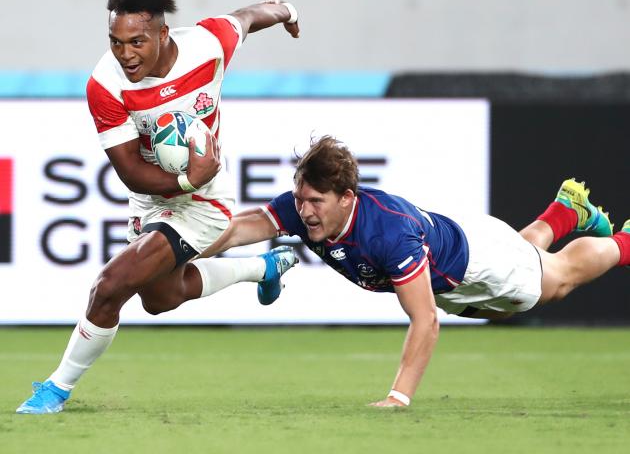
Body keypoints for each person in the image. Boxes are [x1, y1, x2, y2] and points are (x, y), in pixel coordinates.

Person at [16, 0, 299, 414]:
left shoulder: (207, 45)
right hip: (158, 194)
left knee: (110, 286)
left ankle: (56, 388)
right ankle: (260, 268)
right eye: (116, 41)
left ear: (163, 33)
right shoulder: (106, 84)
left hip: (205, 203)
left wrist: (288, 12)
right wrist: (187, 178)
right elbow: (130, 171)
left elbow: (248, 17)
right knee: (160, 298)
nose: (125, 54)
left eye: (137, 42)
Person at [199, 135, 630, 408]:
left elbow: (425, 320)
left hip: (480, 260)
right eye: (300, 199)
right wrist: (185, 247)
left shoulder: (388, 235)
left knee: (558, 280)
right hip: (456, 268)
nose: (304, 211)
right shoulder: (306, 209)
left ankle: (623, 242)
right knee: (507, 306)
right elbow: (240, 229)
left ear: (346, 198)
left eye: (315, 202)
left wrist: (398, 397)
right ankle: (565, 210)